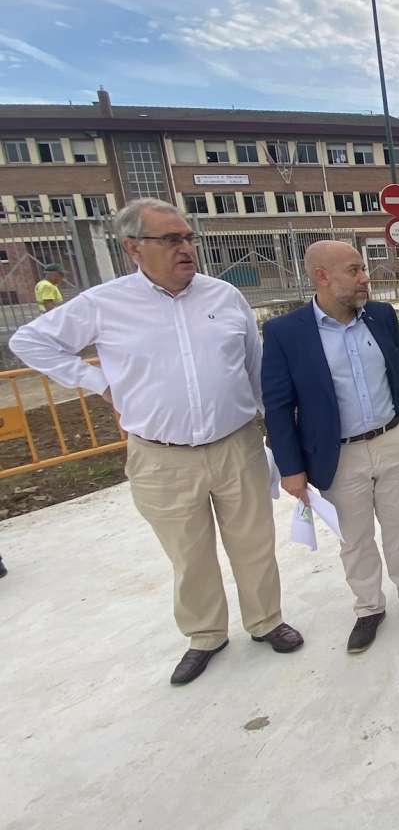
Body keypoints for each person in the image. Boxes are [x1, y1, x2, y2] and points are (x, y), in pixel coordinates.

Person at [9, 197, 303, 685]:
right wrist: (97, 383)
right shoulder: (105, 304)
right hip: (161, 457)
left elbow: (253, 369)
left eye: (189, 238)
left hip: (237, 445)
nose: (186, 248)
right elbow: (30, 342)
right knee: (189, 553)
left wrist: (275, 430)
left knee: (254, 543)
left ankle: (266, 621)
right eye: (171, 239)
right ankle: (205, 635)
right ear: (133, 247)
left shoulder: (224, 297)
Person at [262, 240, 399, 653]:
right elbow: (277, 406)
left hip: (392, 440)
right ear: (322, 276)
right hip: (337, 456)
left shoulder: (379, 316)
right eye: (354, 270)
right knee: (355, 538)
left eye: (363, 269)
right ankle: (368, 607)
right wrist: (291, 469)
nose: (366, 278)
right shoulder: (285, 333)